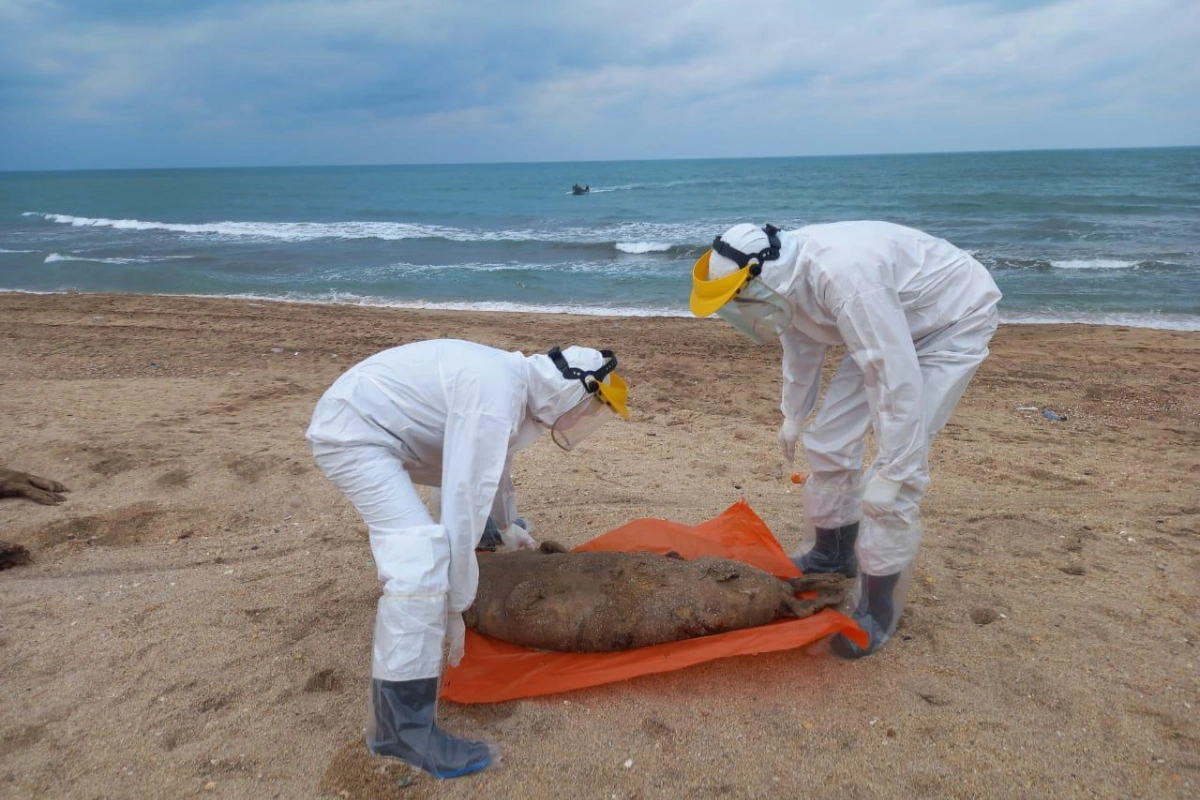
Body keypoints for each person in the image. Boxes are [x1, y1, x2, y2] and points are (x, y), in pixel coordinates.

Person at [305, 339, 629, 778]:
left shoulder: (516, 389)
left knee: (447, 544)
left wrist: (507, 525)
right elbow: (462, 495)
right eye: (590, 409)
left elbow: (493, 468)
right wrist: (455, 606)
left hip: (383, 428)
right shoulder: (497, 396)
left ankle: (402, 715)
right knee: (419, 561)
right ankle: (398, 730)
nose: (585, 420)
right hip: (356, 435)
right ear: (573, 390)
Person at [690, 221, 1001, 658]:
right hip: (894, 319)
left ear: (759, 279)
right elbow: (800, 349)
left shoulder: (845, 280)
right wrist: (793, 416)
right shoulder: (787, 283)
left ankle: (879, 610)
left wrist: (893, 469)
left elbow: (893, 378)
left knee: (897, 481)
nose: (739, 310)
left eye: (737, 299)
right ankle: (831, 556)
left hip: (951, 317)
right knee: (829, 438)